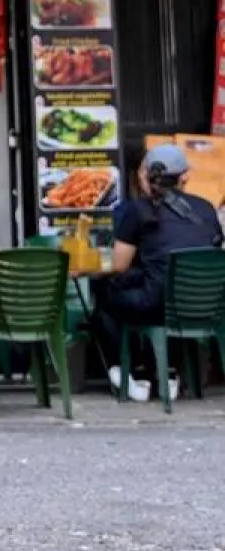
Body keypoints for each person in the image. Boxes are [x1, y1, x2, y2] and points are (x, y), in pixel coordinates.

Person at [99, 144, 223, 392]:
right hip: (205, 305)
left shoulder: (137, 210)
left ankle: (124, 371)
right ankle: (169, 372)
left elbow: (120, 265)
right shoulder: (206, 208)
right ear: (184, 176)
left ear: (145, 174)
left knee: (105, 292)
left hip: (157, 305)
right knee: (162, 289)